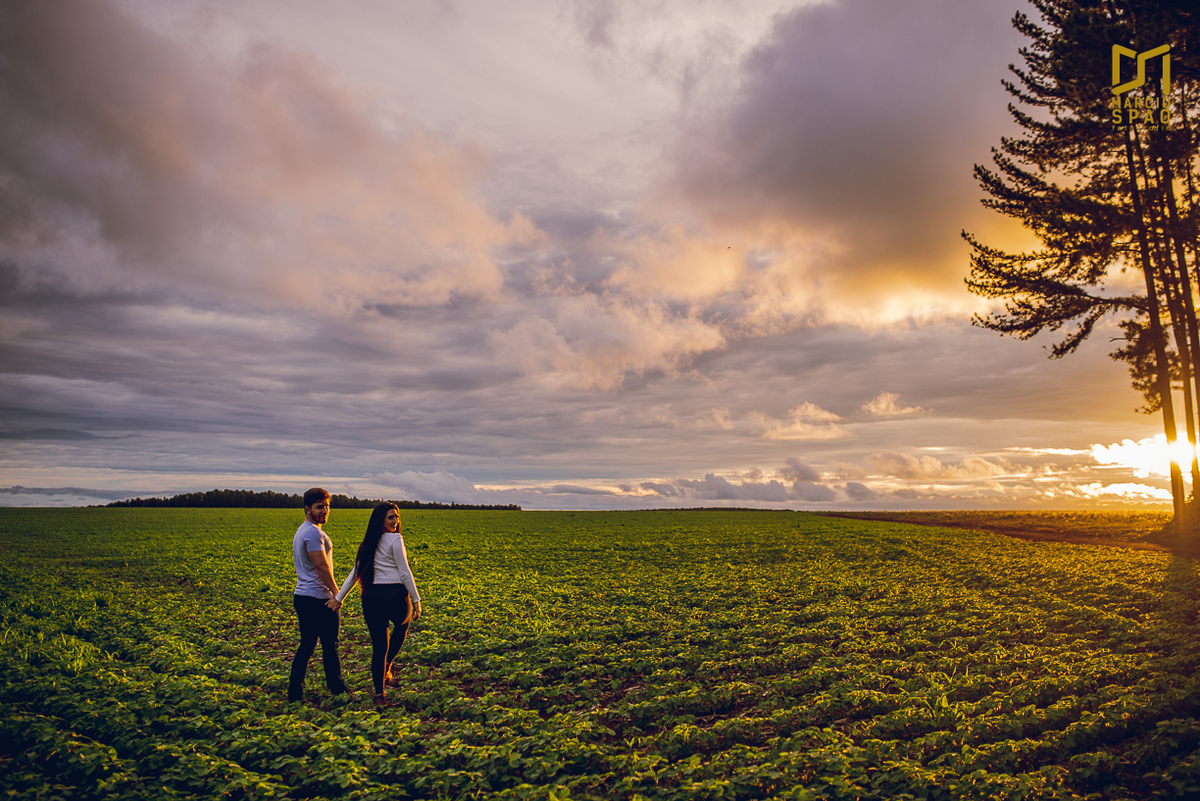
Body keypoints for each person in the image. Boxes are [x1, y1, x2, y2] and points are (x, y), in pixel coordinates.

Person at [333, 502, 422, 706]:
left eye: (397, 517)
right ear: (380, 519)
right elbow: (404, 571)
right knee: (402, 626)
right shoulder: (396, 539)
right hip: (396, 595)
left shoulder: (367, 543)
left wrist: (339, 598)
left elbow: (355, 574)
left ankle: (379, 694)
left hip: (372, 597)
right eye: (391, 517)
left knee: (379, 646)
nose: (395, 521)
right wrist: (416, 599)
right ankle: (388, 664)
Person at [287, 487, 350, 703]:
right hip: (318, 598)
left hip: (304, 596)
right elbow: (321, 566)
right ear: (307, 509)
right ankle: (338, 691)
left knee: (307, 646)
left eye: (327, 506)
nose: (325, 511)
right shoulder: (313, 533)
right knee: (330, 646)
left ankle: (294, 693)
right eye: (319, 507)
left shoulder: (303, 530)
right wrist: (337, 593)